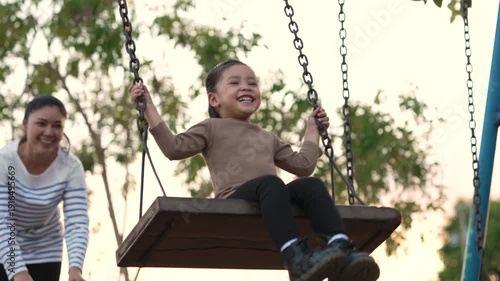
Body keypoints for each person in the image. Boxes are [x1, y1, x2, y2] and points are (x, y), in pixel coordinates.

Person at [129, 59, 380, 281]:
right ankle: (296, 258)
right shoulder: (211, 128)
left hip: (271, 197)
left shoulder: (266, 136)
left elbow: (303, 166)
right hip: (234, 201)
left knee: (310, 186)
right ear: (214, 99)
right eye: (235, 83)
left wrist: (312, 130)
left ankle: (340, 249)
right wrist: (148, 107)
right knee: (270, 183)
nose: (246, 87)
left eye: (252, 83)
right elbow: (174, 148)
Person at [0, 95, 89, 281]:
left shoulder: (70, 167)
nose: (49, 132)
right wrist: (18, 271)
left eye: (57, 126)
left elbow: (77, 220)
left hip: (46, 246)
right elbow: (3, 220)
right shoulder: (6, 162)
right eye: (41, 123)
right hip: (5, 243)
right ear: (25, 125)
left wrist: (75, 269)